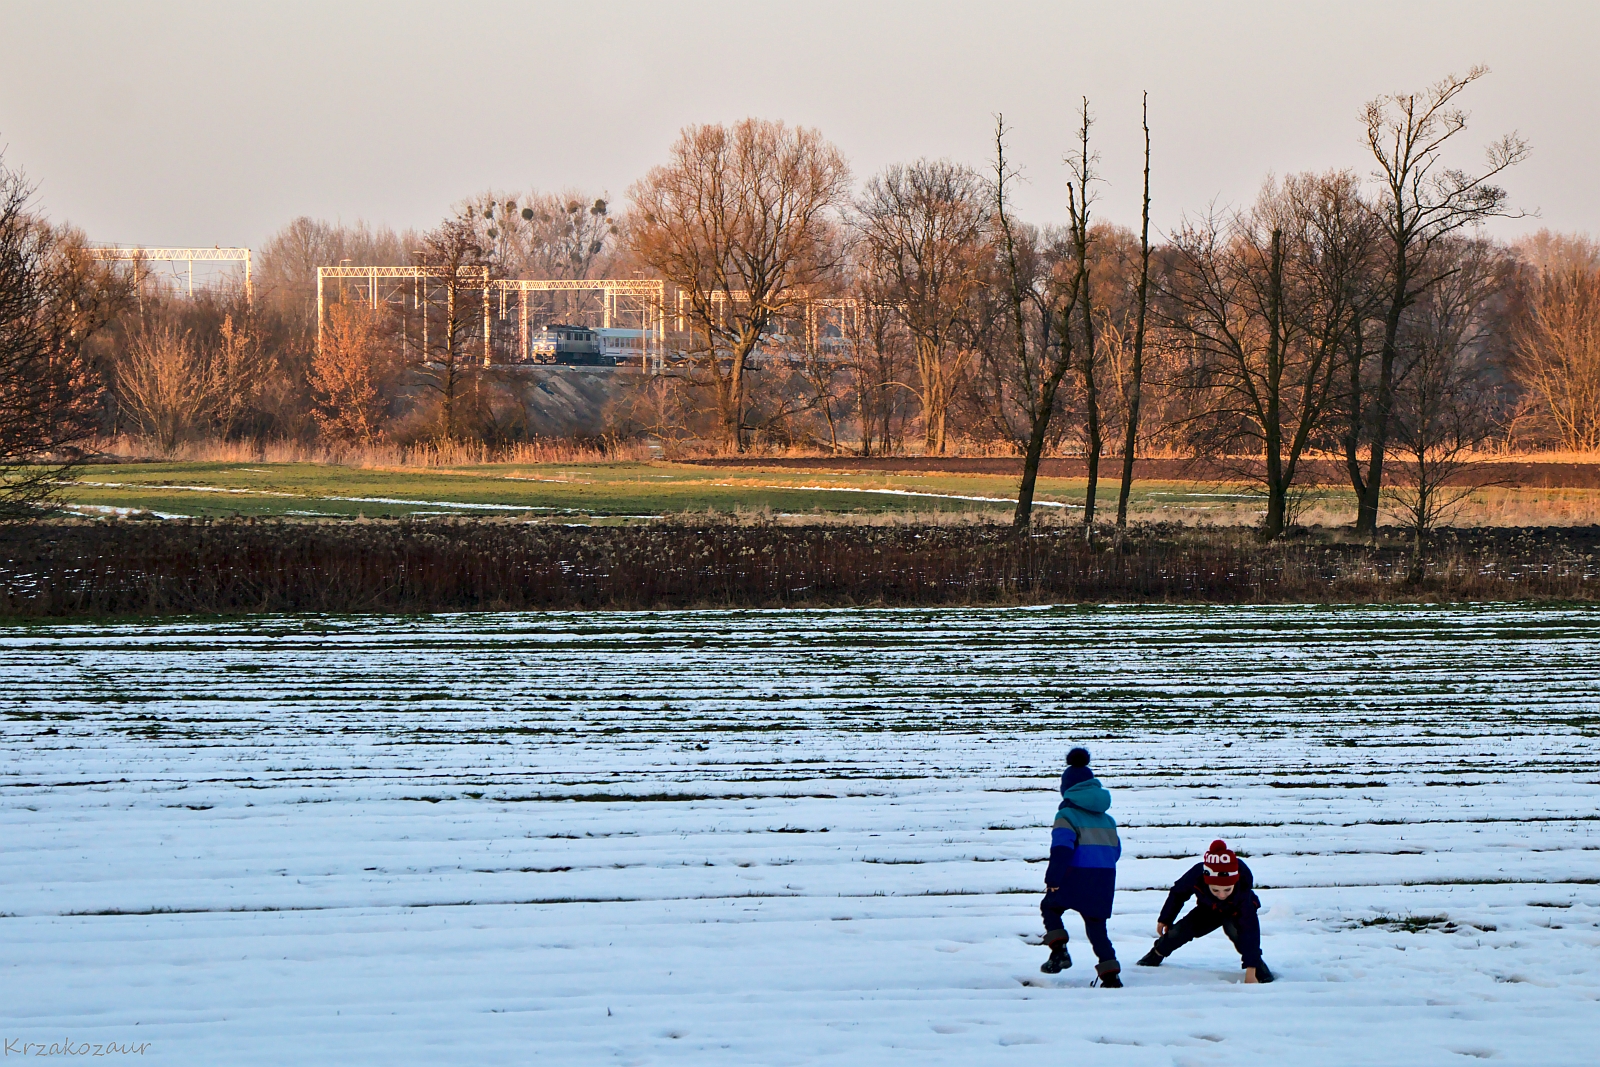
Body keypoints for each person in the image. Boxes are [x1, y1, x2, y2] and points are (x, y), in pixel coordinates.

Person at [1039, 747, 1122, 987]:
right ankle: (1111, 975)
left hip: (1075, 875)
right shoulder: (1108, 820)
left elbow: (1062, 849)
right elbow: (1115, 852)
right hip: (1104, 879)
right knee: (1097, 929)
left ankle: (1059, 952)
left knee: (1050, 907)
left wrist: (1053, 878)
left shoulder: (1066, 815)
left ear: (1067, 789)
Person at [1136, 839, 1274, 983]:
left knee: (1237, 933)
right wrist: (1165, 918)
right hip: (1208, 910)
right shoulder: (1197, 874)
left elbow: (1250, 931)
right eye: (1215, 890)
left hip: (1235, 912)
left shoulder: (1243, 893)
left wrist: (1251, 970)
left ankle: (1258, 966)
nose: (1221, 895)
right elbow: (1178, 893)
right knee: (1179, 931)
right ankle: (1156, 953)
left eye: (1227, 889)